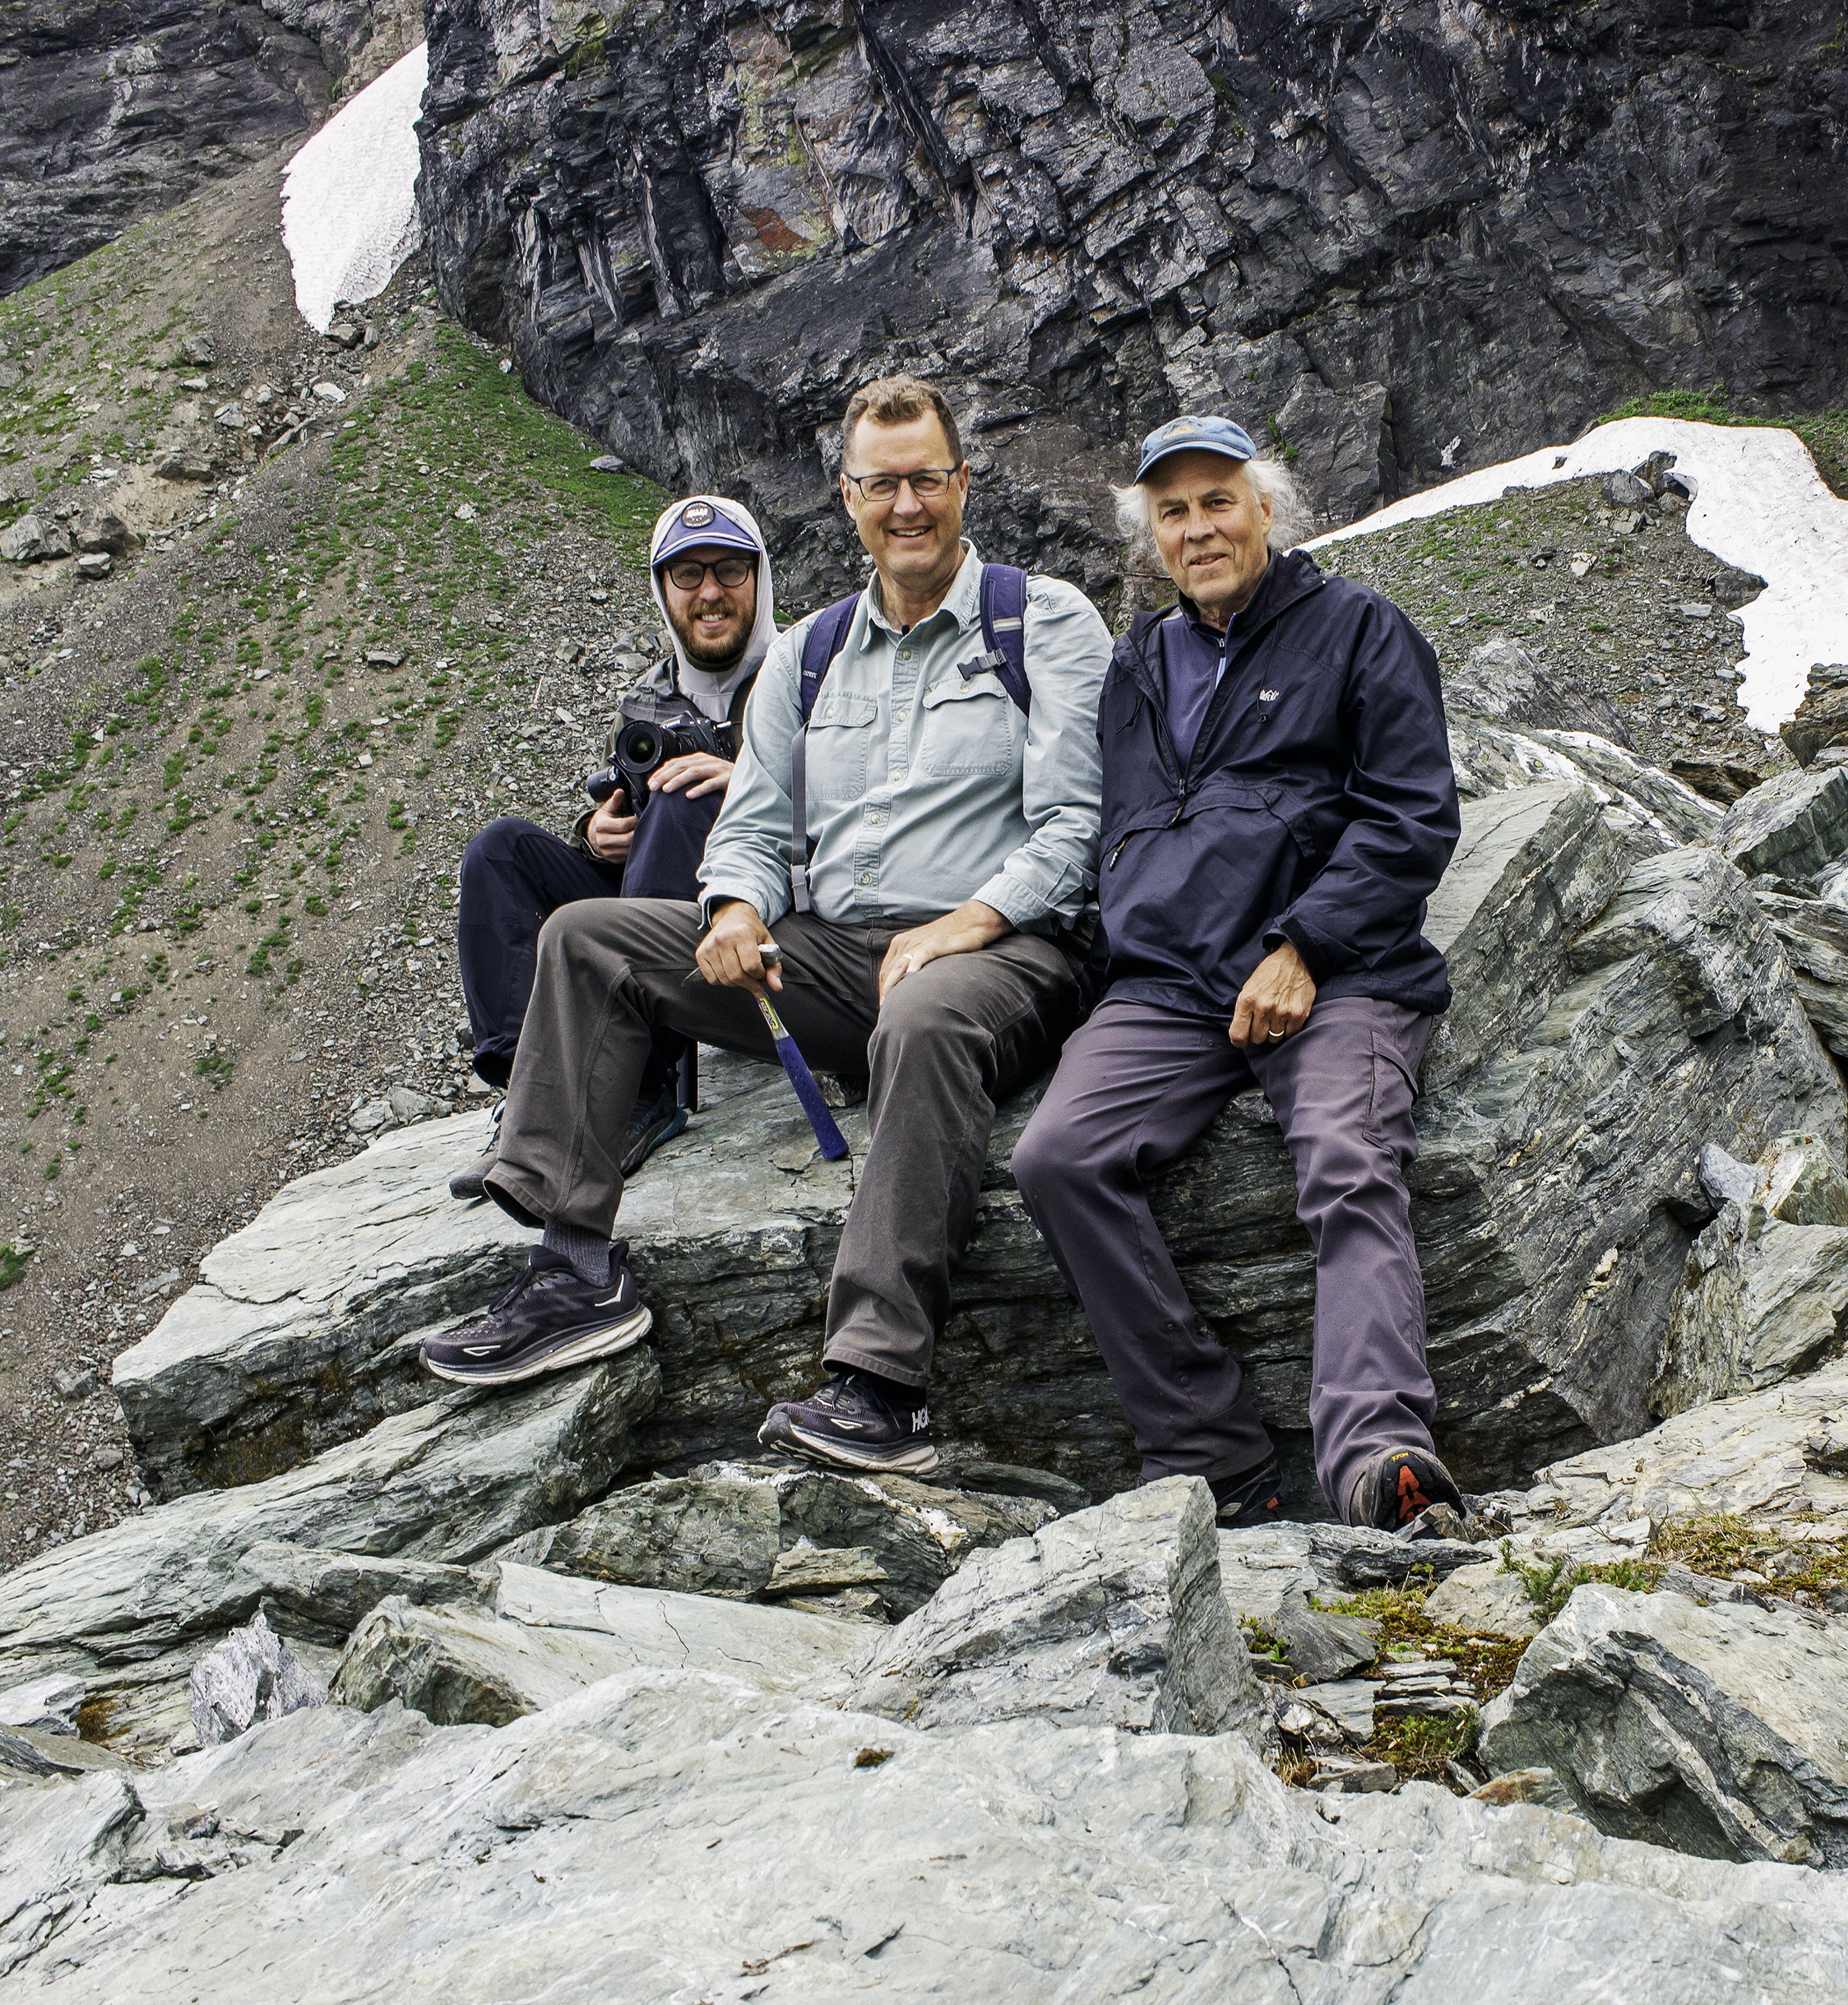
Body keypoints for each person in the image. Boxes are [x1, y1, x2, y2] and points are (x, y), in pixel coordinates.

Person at [422, 375, 1110, 1462]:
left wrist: (964, 923)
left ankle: (880, 1387)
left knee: (924, 1019)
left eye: (926, 479)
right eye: (881, 485)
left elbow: (1076, 827)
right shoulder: (811, 653)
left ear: (961, 483)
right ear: (846, 497)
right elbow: (752, 822)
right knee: (586, 938)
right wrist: (737, 904)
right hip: (840, 953)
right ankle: (573, 1269)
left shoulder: (1048, 620)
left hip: (1011, 951)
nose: (907, 507)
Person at [1008, 416, 1466, 1533]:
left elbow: (1412, 816)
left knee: (1347, 1156)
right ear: (1150, 533)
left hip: (1334, 969)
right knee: (1056, 1157)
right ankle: (1217, 1458)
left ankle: (1377, 1455)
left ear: (1267, 508)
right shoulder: (1135, 663)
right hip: (1164, 985)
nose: (1198, 526)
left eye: (1219, 500)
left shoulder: (1357, 627)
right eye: (1173, 510)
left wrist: (1304, 943)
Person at [449, 496, 776, 1192]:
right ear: (663, 592)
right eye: (687, 575)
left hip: (767, 911)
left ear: (759, 577)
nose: (709, 591)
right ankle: (531, 1094)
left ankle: (640, 1086)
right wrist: (600, 839)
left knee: (687, 795)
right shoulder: (648, 702)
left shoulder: (807, 671)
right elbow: (627, 810)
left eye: (727, 570)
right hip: (663, 911)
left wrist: (746, 778)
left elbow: (861, 800)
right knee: (499, 850)